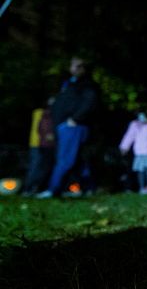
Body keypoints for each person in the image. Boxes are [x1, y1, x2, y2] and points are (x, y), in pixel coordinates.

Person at [36, 56, 99, 199]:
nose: (73, 69)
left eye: (77, 66)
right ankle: (89, 187)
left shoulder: (87, 84)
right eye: (72, 66)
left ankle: (53, 189)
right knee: (77, 159)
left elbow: (90, 103)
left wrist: (75, 119)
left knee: (66, 159)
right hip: (63, 125)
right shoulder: (69, 84)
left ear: (83, 68)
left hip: (73, 126)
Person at [21, 97, 55, 196]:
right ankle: (28, 188)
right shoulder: (41, 113)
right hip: (38, 144)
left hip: (38, 143)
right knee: (36, 167)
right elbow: (42, 129)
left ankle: (32, 188)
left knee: (37, 167)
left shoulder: (39, 112)